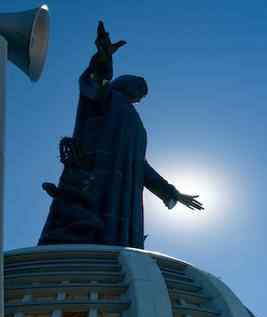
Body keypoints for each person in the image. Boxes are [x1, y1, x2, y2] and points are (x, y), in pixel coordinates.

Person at [39, 21, 204, 248]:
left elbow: (139, 165)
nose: (139, 96)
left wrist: (171, 191)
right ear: (125, 84)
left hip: (122, 193)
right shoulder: (106, 97)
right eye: (139, 89)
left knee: (114, 236)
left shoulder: (136, 124)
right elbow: (98, 80)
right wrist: (105, 57)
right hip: (93, 175)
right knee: (81, 229)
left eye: (142, 95)